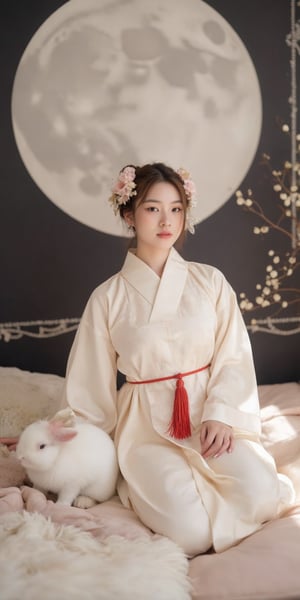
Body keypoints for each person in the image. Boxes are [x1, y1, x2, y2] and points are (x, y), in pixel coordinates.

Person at [61, 162, 295, 557]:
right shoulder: (107, 299)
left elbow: (233, 353)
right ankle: (140, 487)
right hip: (146, 428)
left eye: (176, 208)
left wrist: (222, 412)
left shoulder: (210, 281)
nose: (166, 220)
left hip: (210, 414)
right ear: (128, 214)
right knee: (189, 533)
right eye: (152, 208)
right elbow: (89, 383)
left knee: (261, 494)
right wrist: (63, 439)